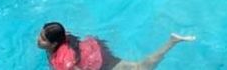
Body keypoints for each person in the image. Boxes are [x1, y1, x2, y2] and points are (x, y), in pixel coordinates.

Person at [38, 22, 195, 70]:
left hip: (98, 62)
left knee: (141, 68)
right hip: (94, 49)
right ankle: (172, 41)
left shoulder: (61, 61)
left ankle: (172, 42)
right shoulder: (63, 36)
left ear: (54, 43)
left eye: (43, 39)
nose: (38, 40)